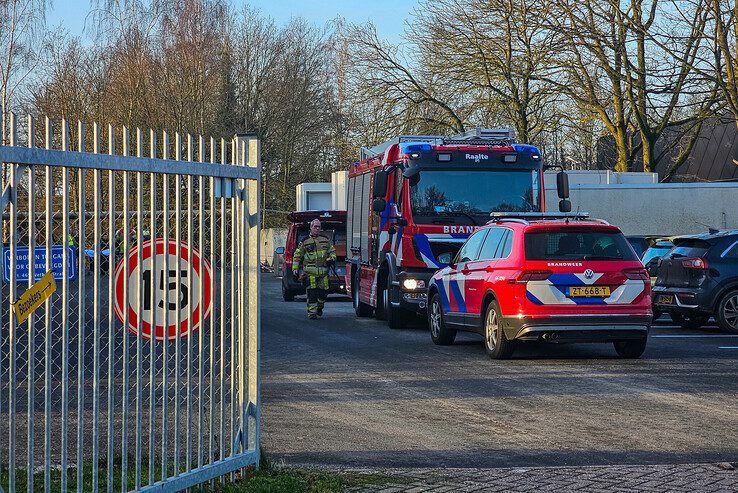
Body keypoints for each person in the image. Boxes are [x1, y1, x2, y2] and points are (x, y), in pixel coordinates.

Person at [292, 219, 336, 320]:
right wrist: (295, 268)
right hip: (310, 273)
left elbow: (332, 252)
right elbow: (297, 255)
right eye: (315, 226)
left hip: (323, 272)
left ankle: (320, 306)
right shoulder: (304, 241)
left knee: (323, 293)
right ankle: (312, 313)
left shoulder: (325, 240)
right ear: (311, 227)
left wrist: (331, 259)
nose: (317, 228)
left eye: (319, 227)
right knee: (311, 293)